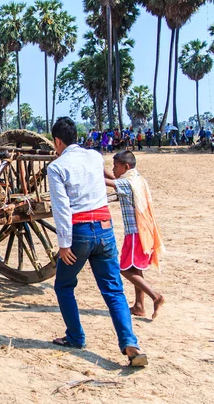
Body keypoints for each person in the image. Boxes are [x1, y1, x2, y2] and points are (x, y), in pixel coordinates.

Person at [47, 117, 147, 367]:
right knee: (114, 290)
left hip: (79, 233)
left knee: (64, 286)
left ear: (58, 141)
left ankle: (75, 337)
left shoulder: (57, 167)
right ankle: (130, 343)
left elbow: (61, 208)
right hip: (104, 229)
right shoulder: (94, 156)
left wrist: (64, 244)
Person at [105, 151, 165, 320]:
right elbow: (115, 179)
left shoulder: (127, 183)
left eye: (115, 166)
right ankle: (139, 305)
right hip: (143, 230)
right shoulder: (137, 179)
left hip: (135, 233)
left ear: (126, 167)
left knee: (123, 269)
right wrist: (100, 168)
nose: (113, 169)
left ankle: (155, 296)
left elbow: (109, 182)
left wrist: (90, 171)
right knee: (135, 268)